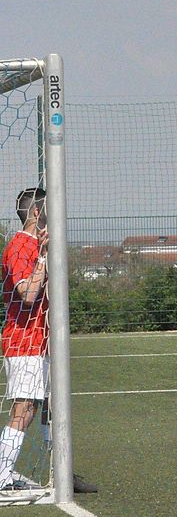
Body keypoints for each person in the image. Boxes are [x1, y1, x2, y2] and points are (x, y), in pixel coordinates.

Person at [0, 188, 97, 494]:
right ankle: (2, 472)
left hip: (43, 340)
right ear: (38, 215)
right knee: (24, 408)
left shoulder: (37, 246)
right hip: (23, 340)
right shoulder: (19, 247)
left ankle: (61, 472)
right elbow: (27, 294)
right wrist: (43, 257)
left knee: (51, 407)